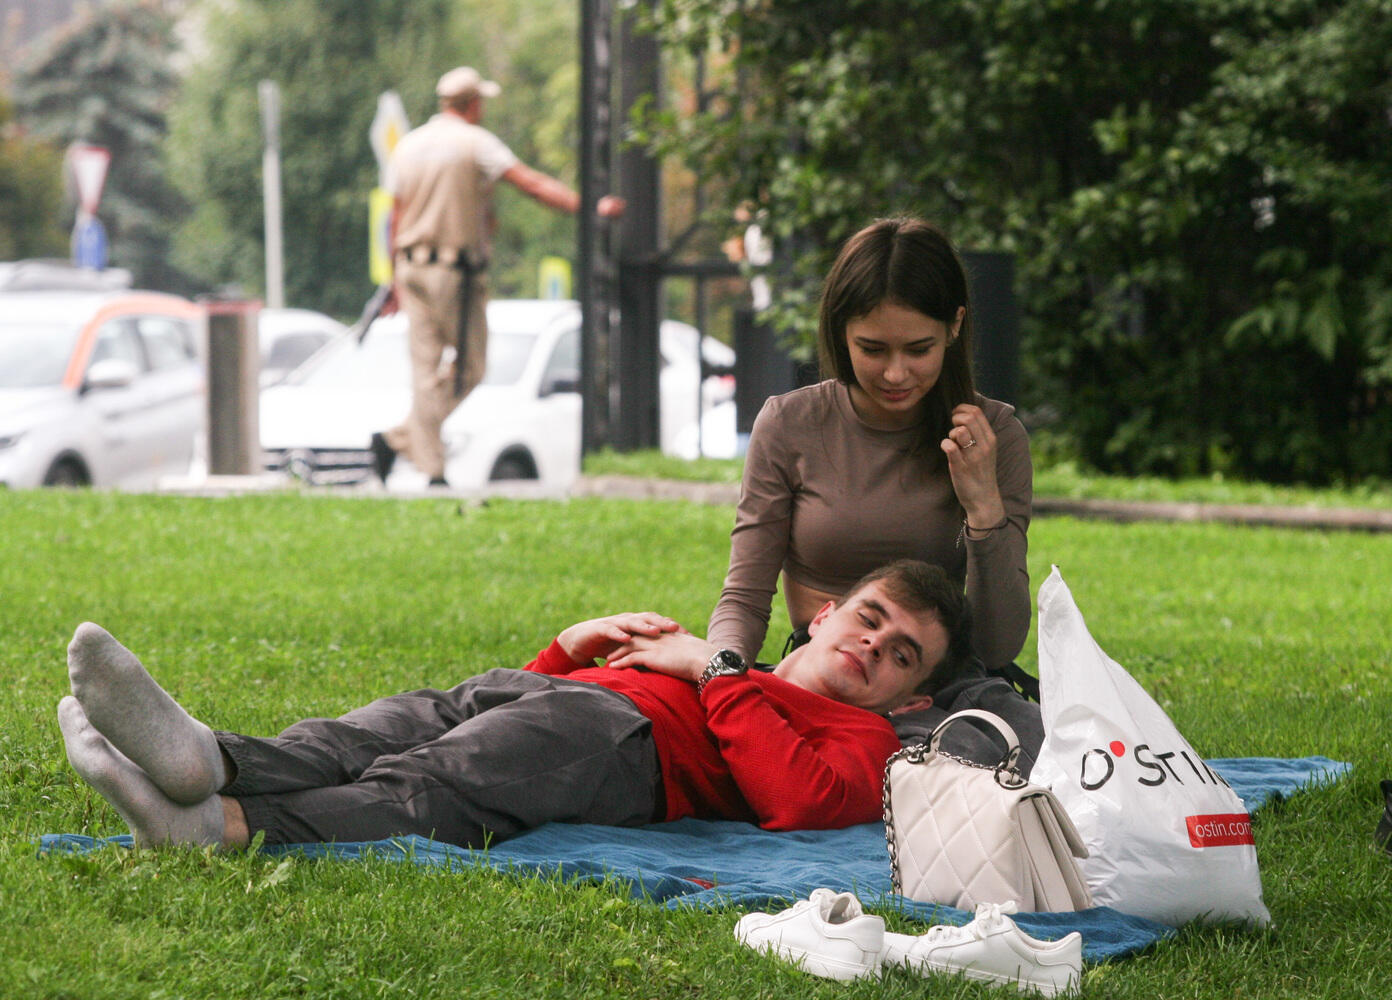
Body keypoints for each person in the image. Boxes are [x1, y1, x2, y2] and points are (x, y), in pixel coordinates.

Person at [58, 560, 971, 851]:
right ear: (824, 613)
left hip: (626, 747)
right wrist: (566, 648)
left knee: (434, 781)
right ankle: (211, 759)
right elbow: (531, 707)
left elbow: (799, 802)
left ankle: (223, 823)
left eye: (901, 655)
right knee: (380, 728)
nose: (873, 647)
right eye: (870, 618)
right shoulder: (734, 671)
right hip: (559, 700)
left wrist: (715, 670)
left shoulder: (870, 739)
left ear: (914, 694)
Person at [707, 216, 1032, 681]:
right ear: (841, 332)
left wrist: (983, 508)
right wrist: (720, 677)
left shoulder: (993, 436)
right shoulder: (789, 424)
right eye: (873, 349)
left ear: (954, 326)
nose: (896, 374)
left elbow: (996, 646)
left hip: (940, 690)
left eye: (918, 349)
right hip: (822, 677)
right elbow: (744, 597)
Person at [370, 66, 624, 487]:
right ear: (473, 104)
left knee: (425, 367)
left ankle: (407, 446)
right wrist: (590, 206)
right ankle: (420, 458)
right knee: (470, 367)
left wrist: (393, 280)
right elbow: (531, 184)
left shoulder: (409, 146)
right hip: (455, 271)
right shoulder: (476, 143)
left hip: (410, 267)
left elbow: (394, 216)